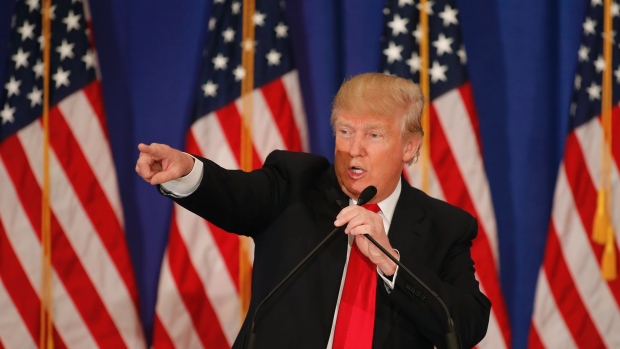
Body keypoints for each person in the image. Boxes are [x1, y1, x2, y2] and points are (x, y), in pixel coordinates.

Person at [136, 73, 491, 348]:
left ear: (409, 147)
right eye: (345, 131)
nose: (354, 149)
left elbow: (466, 326)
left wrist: (391, 264)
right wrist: (187, 170)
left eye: (374, 135)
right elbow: (234, 194)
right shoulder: (295, 183)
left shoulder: (445, 226)